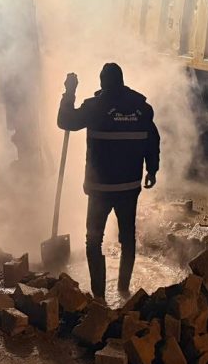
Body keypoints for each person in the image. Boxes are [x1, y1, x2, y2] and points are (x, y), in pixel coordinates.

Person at [57, 63, 159, 300]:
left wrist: (69, 91)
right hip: (129, 188)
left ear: (102, 82)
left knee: (93, 240)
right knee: (127, 239)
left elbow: (66, 121)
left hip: (100, 190)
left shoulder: (95, 107)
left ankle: (100, 296)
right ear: (122, 81)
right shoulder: (142, 110)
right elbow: (153, 141)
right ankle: (124, 290)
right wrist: (152, 170)